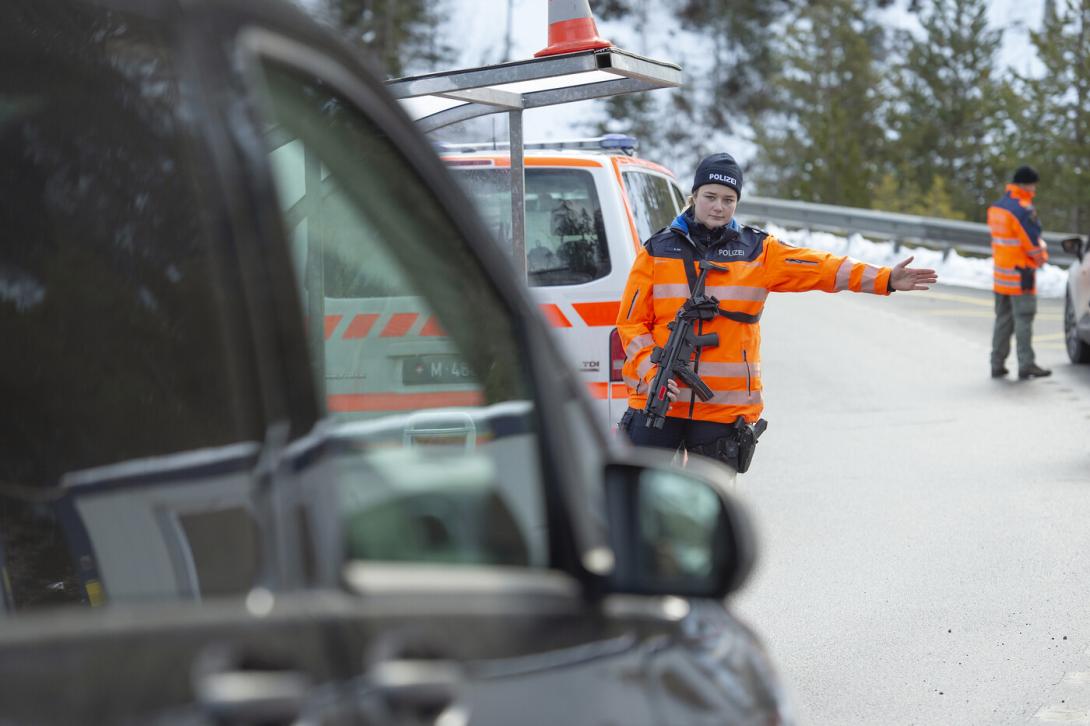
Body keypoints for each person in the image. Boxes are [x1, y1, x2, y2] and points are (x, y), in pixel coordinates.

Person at [615, 152, 938, 480]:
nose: (718, 207)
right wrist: (650, 372)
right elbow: (631, 322)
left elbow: (821, 267)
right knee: (637, 497)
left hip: (722, 411)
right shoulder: (657, 250)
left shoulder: (759, 251)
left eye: (729, 200)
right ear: (694, 196)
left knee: (707, 509)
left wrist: (884, 279)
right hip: (656, 402)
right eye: (710, 196)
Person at [988, 165, 1051, 380]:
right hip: (1021, 275)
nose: (1035, 190)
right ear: (1025, 184)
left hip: (1001, 276)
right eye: (1033, 185)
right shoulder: (1023, 211)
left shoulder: (997, 208)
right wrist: (1042, 258)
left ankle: (996, 363)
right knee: (1023, 320)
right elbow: (1032, 244)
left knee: (1002, 320)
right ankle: (1026, 364)